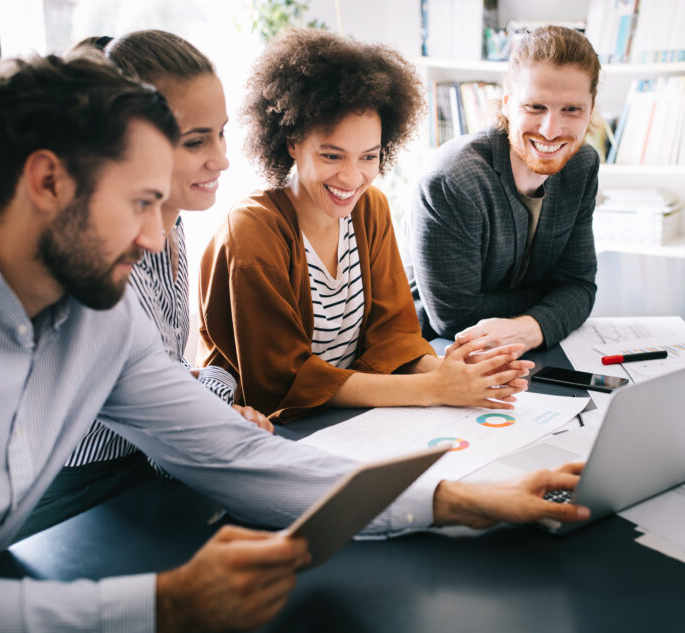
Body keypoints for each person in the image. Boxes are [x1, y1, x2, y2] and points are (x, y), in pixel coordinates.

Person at [0, 52, 589, 633]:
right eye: (142, 204)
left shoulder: (101, 316)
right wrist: (166, 605)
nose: (153, 239)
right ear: (47, 180)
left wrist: (460, 500)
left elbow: (236, 454)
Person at [197, 29, 533, 421]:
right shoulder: (253, 231)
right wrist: (432, 387)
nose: (352, 178)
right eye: (332, 156)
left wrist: (457, 373)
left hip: (351, 415)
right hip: (271, 427)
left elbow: (393, 336)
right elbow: (285, 381)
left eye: (369, 156)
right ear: (292, 141)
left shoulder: (369, 208)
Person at [16, 30, 272, 541]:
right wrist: (215, 404)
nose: (222, 159)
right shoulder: (97, 259)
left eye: (221, 134)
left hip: (136, 470)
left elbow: (167, 377)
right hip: (69, 501)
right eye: (195, 141)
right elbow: (166, 429)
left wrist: (211, 396)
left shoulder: (170, 220)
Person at [409, 25, 600, 354]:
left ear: (591, 109)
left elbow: (579, 286)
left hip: (524, 349)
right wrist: (551, 298)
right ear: (508, 104)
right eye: (535, 107)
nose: (550, 130)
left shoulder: (581, 166)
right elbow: (453, 318)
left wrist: (533, 327)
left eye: (571, 109)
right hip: (438, 352)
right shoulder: (453, 180)